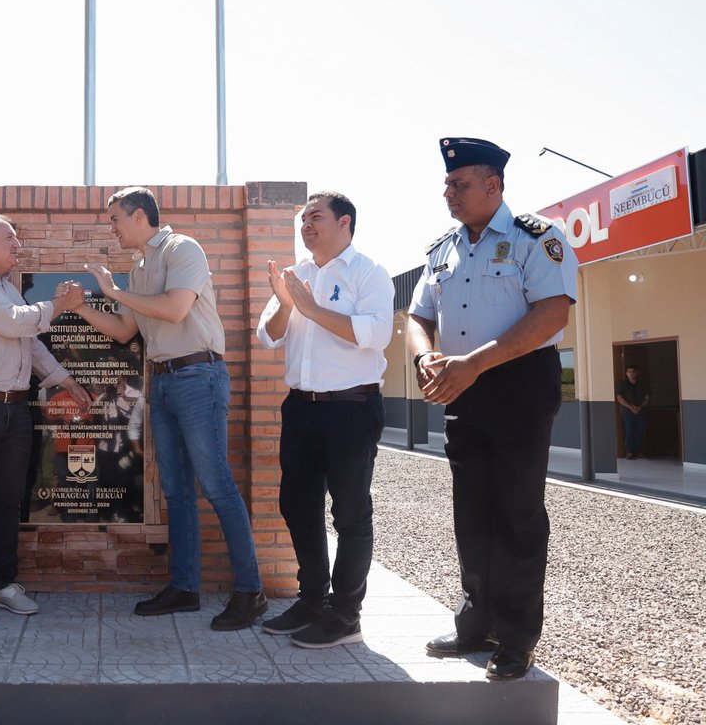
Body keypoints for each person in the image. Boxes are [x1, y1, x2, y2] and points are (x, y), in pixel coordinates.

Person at [406, 137, 579, 681]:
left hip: (518, 383)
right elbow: (417, 316)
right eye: (446, 184)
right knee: (472, 512)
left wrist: (475, 363)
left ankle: (517, 637)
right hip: (461, 386)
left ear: (493, 185)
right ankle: (474, 624)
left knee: (518, 515)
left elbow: (552, 314)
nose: (448, 193)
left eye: (459, 183)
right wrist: (424, 357)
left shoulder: (537, 237)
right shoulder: (443, 249)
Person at [70, 186, 266, 631]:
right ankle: (185, 588)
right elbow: (124, 332)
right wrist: (83, 307)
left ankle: (250, 591)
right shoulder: (139, 267)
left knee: (216, 485)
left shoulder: (183, 248)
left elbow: (177, 309)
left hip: (200, 377)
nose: (113, 228)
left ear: (139, 216)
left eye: (115, 219)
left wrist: (114, 291)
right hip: (163, 381)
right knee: (176, 491)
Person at [255, 192, 394, 648]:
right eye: (303, 218)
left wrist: (313, 308)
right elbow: (268, 337)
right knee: (298, 506)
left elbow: (376, 335)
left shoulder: (368, 272)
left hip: (351, 409)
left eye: (315, 217)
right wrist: (288, 304)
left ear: (345, 222)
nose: (306, 225)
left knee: (350, 513)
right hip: (301, 408)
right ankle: (312, 600)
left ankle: (346, 614)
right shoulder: (297, 276)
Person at [0, 213, 91, 624]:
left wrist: (66, 382)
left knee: (10, 500)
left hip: (14, 406)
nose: (17, 246)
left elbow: (31, 342)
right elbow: (13, 324)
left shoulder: (7, 287)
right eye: (9, 239)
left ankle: (5, 584)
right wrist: (59, 304)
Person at [615, 365, 650, 459]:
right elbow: (619, 397)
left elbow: (647, 397)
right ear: (626, 373)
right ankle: (629, 452)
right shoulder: (622, 384)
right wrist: (631, 407)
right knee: (629, 431)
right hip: (627, 412)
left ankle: (639, 451)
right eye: (629, 372)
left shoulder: (643, 384)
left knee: (640, 431)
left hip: (641, 411)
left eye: (633, 371)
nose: (631, 373)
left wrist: (640, 407)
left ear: (637, 373)